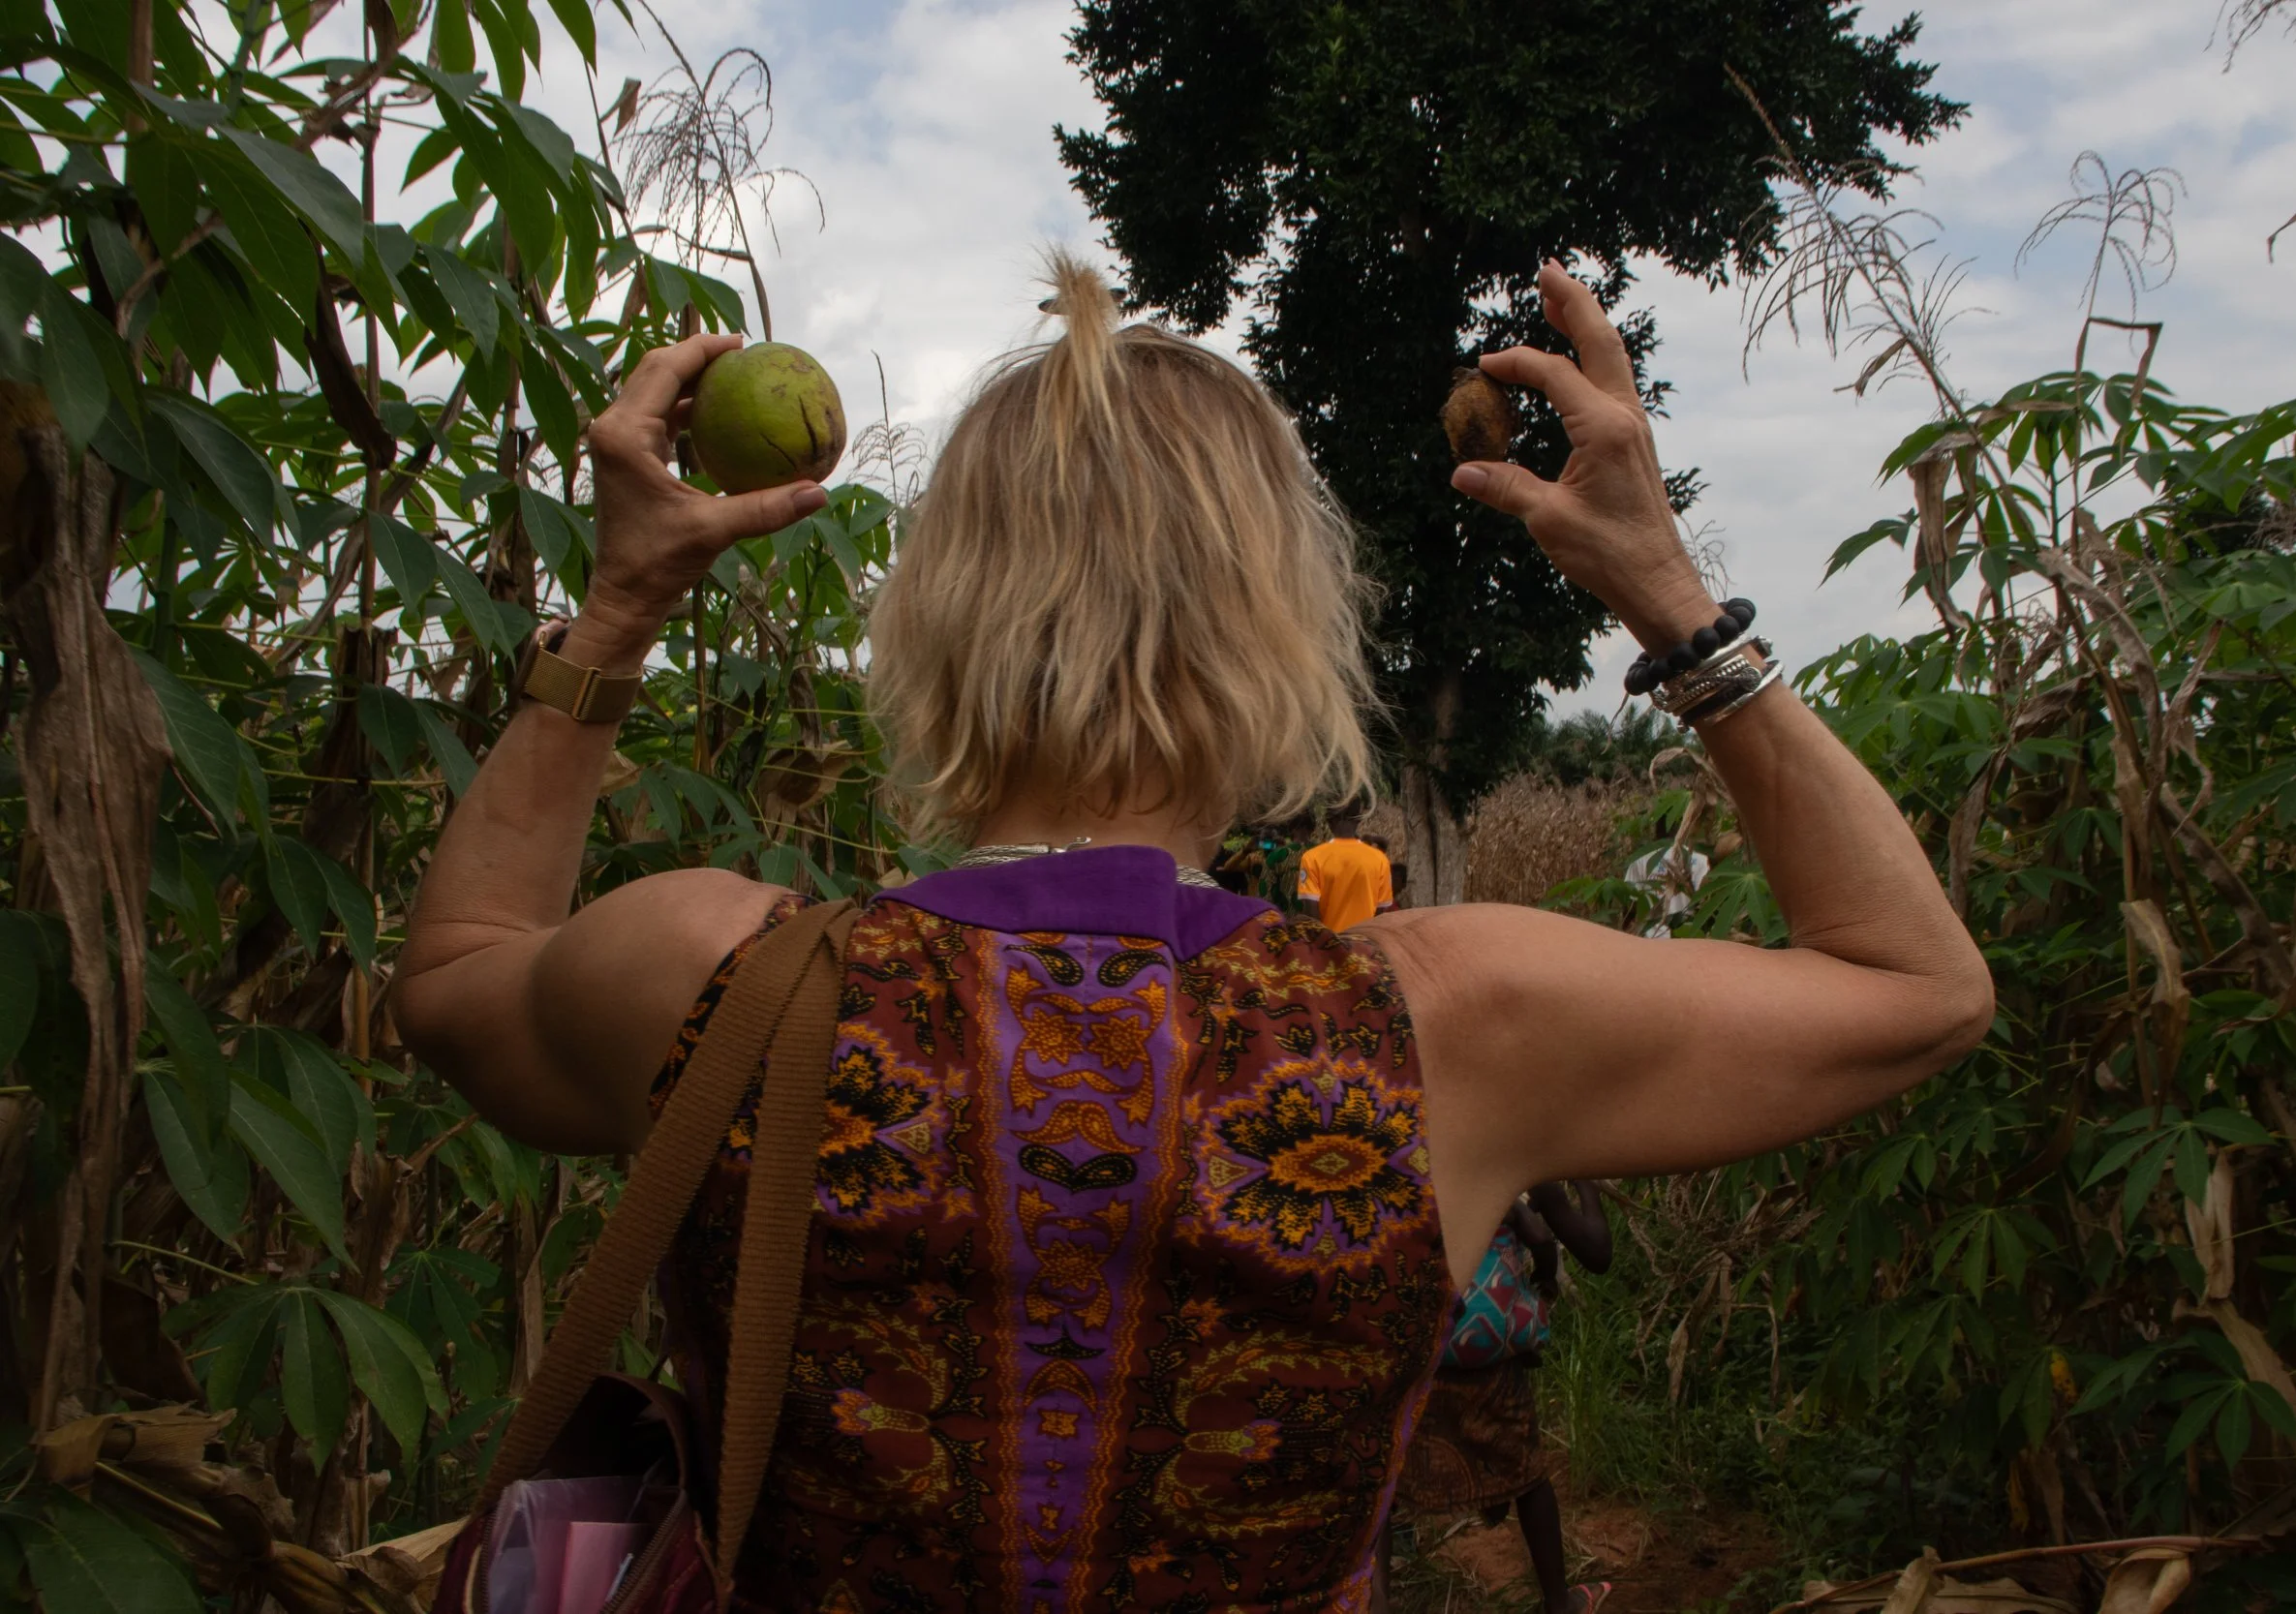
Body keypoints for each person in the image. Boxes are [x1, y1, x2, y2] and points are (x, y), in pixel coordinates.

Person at [395, 254, 1993, 1612]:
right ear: (1282, 623)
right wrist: (1662, 590)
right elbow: (1912, 984)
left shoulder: (711, 973)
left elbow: (457, 978)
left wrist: (615, 614)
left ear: (933, 607)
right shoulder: (1451, 1021)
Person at [1381, 1182, 1612, 1614]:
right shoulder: (1527, 1175)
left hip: (1417, 1352)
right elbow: (1596, 1254)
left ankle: (1372, 1599)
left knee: (1386, 1477)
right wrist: (1587, 1181)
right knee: (1527, 1476)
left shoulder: (1411, 1161)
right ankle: (1558, 1603)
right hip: (1489, 1358)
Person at [1298, 802, 1395, 930]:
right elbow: (1381, 911)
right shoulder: (1380, 859)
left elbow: (1311, 913)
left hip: (1330, 946)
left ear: (1329, 820)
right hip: (1366, 945)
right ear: (1359, 820)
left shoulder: (1312, 857)